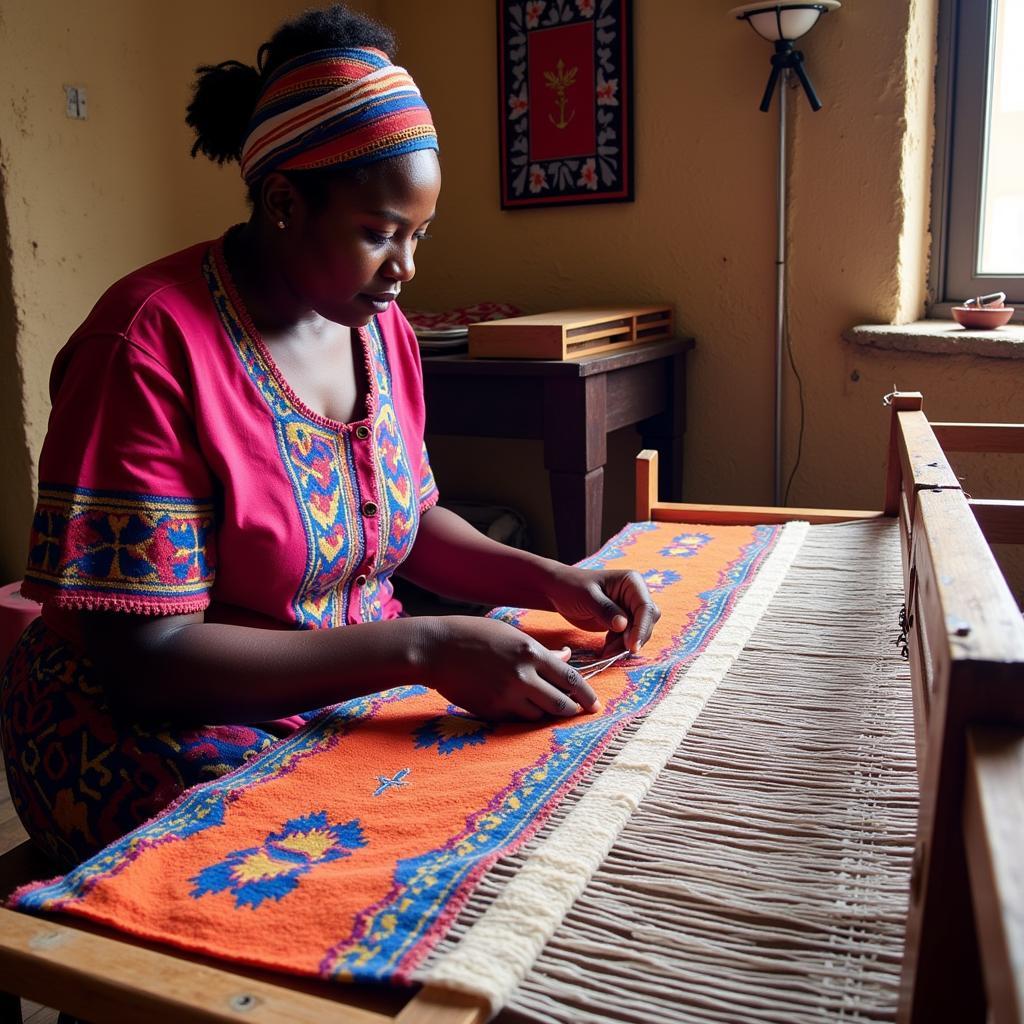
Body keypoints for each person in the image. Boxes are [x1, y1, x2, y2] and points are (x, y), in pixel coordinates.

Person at [0, 4, 659, 870]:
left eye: (419, 235)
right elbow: (145, 657)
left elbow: (412, 523)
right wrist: (424, 645)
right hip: (141, 722)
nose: (406, 268)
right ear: (282, 202)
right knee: (352, 865)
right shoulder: (147, 345)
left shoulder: (375, 329)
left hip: (339, 687)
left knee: (555, 793)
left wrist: (557, 581)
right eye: (380, 234)